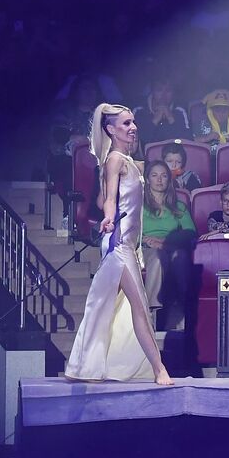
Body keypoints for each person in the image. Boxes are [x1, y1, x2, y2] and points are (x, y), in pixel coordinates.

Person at [63, 104, 173, 385]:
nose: (133, 127)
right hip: (119, 244)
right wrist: (109, 217)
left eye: (133, 122)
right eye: (126, 124)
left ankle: (85, 366)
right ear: (111, 129)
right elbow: (108, 200)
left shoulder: (128, 161)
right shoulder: (115, 160)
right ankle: (159, 369)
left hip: (130, 245)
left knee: (109, 307)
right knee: (139, 305)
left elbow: (114, 195)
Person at [141, 159, 197, 325]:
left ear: (169, 180)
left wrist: (166, 241)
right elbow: (129, 230)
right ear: (148, 179)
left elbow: (190, 233)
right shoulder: (139, 205)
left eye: (164, 176)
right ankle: (150, 314)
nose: (159, 180)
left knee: (180, 258)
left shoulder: (179, 206)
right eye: (154, 175)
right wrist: (145, 240)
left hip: (171, 247)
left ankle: (183, 316)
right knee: (158, 259)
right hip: (146, 249)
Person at [137, 78, 190, 143]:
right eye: (159, 90)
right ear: (152, 91)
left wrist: (171, 118)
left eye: (168, 90)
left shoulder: (179, 111)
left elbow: (187, 142)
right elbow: (139, 141)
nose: (164, 96)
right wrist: (155, 120)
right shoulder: (140, 110)